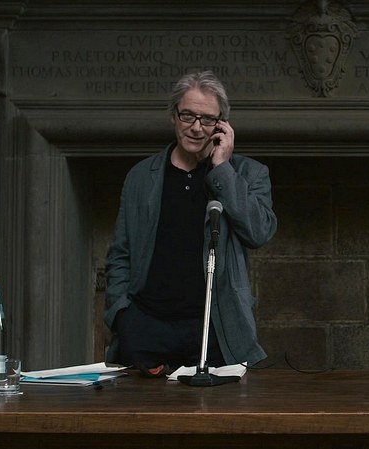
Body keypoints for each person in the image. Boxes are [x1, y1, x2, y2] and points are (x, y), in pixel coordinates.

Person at [104, 71, 277, 377]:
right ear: (174, 116)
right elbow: (121, 252)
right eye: (188, 116)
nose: (196, 127)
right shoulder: (141, 176)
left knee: (219, 408)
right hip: (146, 327)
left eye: (207, 119)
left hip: (215, 330)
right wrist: (122, 316)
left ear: (222, 125)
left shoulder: (249, 173)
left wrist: (222, 168)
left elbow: (259, 232)